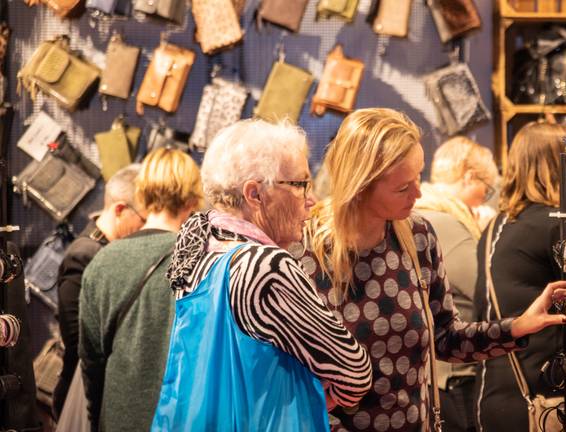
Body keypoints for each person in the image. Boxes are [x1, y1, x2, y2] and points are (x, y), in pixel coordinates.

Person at [302, 108, 566, 432]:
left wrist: (517, 327)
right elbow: (294, 375)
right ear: (360, 186)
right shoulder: (307, 252)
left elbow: (446, 338)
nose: (419, 193)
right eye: (403, 187)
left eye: (418, 177)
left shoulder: (416, 237)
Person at [154, 119, 372, 431]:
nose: (311, 199)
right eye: (300, 185)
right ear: (255, 194)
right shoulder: (266, 267)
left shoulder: (197, 246)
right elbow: (354, 372)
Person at [473, 122, 566, 431]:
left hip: (495, 393)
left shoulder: (495, 227)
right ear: (560, 165)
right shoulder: (561, 227)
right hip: (548, 399)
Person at [79, 148, 203, 432]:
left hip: (119, 418)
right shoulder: (206, 262)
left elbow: (91, 360)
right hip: (184, 421)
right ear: (194, 199)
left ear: (143, 193)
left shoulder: (104, 262)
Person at [413, 136, 498, 432]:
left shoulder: (419, 213)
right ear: (468, 177)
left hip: (434, 372)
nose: (486, 198)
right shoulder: (447, 223)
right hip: (456, 373)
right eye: (486, 188)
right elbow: (485, 290)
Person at [53, 164, 144, 418]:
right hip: (83, 400)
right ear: (120, 210)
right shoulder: (84, 255)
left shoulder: (102, 252)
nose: (148, 227)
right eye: (145, 218)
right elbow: (78, 342)